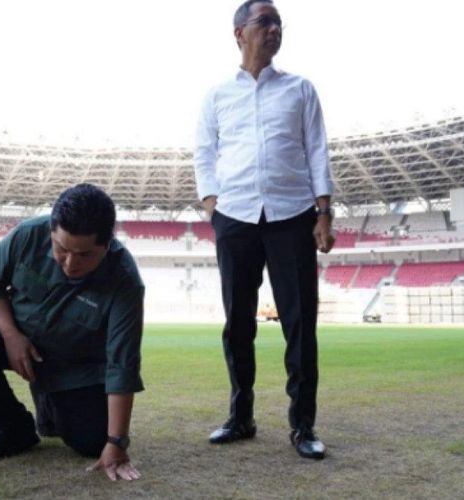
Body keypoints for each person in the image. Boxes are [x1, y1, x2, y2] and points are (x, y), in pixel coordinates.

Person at [193, 0, 335, 460]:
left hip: (292, 216)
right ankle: (241, 417)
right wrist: (212, 204)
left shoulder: (300, 89)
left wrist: (324, 210)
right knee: (237, 324)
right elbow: (204, 153)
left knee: (300, 326)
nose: (274, 29)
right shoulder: (216, 95)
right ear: (239, 33)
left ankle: (303, 425)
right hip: (234, 217)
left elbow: (317, 149)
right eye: (264, 22)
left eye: (278, 23)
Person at [0, 184, 144, 482]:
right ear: (51, 230)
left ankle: (52, 402)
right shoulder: (29, 233)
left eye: (85, 255)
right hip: (19, 338)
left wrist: (116, 443)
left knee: (90, 442)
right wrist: (10, 335)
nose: (70, 264)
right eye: (61, 249)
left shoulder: (125, 281)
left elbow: (122, 363)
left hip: (75, 367)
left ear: (108, 243)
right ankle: (13, 426)